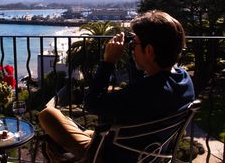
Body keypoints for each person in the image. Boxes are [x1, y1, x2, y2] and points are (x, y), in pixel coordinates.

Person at [38, 10, 195, 162]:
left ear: (149, 50)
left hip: (109, 155)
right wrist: (134, 57)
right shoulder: (184, 80)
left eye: (134, 43)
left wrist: (108, 62)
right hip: (149, 153)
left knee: (48, 115)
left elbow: (92, 103)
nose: (132, 48)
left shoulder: (142, 93)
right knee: (83, 131)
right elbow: (140, 87)